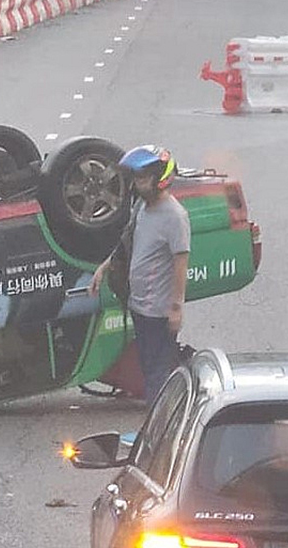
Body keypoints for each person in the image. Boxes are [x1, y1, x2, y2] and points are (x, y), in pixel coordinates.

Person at [88, 145, 190, 405]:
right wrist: (105, 267)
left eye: (143, 178)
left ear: (160, 179)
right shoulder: (142, 207)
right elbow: (127, 241)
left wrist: (176, 308)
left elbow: (181, 261)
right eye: (136, 178)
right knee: (146, 367)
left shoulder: (175, 217)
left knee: (157, 373)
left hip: (158, 310)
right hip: (139, 305)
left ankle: (156, 434)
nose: (137, 184)